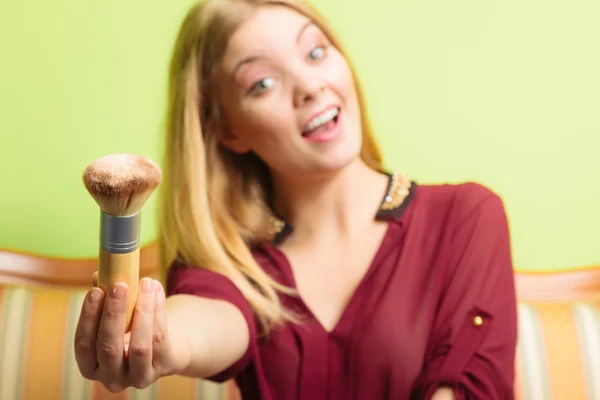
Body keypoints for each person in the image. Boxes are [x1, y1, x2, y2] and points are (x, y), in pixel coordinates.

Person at [74, 0, 518, 398]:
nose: (310, 86)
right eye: (263, 83)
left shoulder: (466, 217)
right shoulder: (233, 261)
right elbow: (203, 323)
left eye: (316, 52)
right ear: (228, 130)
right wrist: (161, 340)